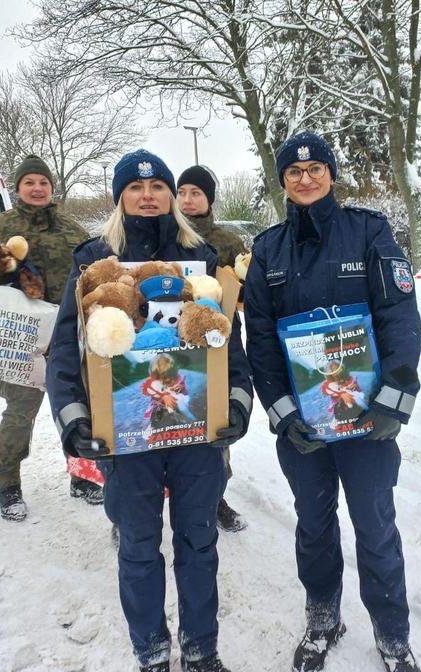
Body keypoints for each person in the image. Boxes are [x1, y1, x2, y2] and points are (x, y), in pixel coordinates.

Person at [46, 149, 252, 672]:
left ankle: (202, 649)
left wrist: (235, 402)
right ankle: (152, 651)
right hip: (127, 431)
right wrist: (73, 419)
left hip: (195, 429)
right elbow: (67, 347)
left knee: (198, 542)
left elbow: (230, 342)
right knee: (138, 546)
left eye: (158, 186)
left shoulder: (201, 256)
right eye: (136, 188)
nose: (147, 195)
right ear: (120, 196)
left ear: (171, 197)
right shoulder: (94, 259)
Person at [244, 131, 421, 672]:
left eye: (315, 168)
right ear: (282, 182)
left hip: (368, 422)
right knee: (314, 525)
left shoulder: (369, 232)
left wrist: (393, 402)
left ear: (330, 174)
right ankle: (322, 619)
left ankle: (393, 636)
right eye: (294, 172)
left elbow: (400, 320)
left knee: (375, 526)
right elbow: (260, 339)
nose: (305, 178)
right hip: (305, 429)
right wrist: (283, 414)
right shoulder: (268, 249)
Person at [0, 154, 103, 522]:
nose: (37, 188)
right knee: (20, 414)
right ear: (18, 187)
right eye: (29, 183)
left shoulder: (73, 231)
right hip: (21, 340)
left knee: (79, 410)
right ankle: (8, 483)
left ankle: (82, 476)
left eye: (43, 183)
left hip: (68, 340)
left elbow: (94, 277)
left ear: (51, 188)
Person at [177, 164, 248, 532]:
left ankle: (216, 496)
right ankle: (136, 510)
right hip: (169, 344)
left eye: (196, 193)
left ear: (209, 199)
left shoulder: (226, 242)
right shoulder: (167, 233)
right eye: (183, 192)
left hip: (217, 349)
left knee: (216, 425)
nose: (188, 200)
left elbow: (246, 292)